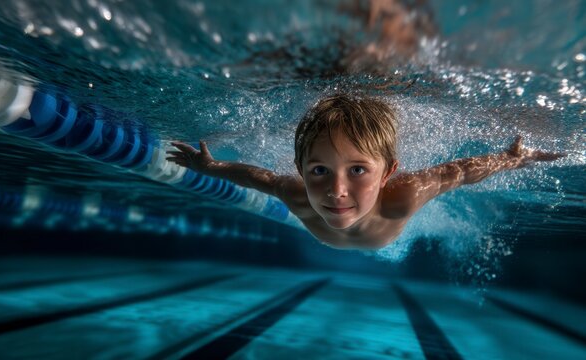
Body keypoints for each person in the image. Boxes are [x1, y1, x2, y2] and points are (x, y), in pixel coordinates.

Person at [167, 94, 564, 249]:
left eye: (358, 169)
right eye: (319, 170)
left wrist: (513, 158)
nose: (336, 190)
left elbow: (457, 173)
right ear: (300, 170)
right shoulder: (297, 195)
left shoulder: (402, 198)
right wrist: (213, 166)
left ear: (389, 172)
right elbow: (257, 177)